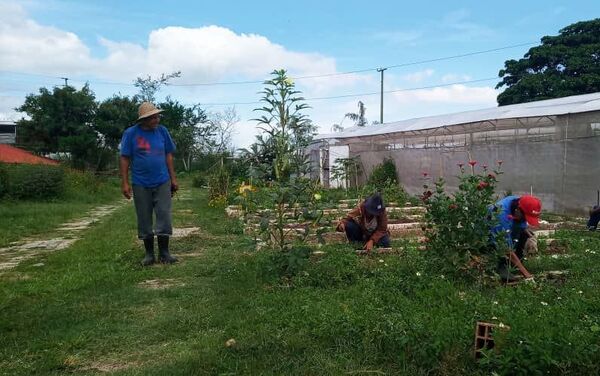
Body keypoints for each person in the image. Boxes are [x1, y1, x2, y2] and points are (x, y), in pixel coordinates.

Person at [120, 102, 178, 266]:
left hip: (162, 180)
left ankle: (165, 253)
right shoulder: (131, 134)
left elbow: (168, 155)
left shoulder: (162, 131)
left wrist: (173, 179)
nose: (157, 119)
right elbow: (125, 158)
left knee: (164, 215)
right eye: (153, 117)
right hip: (140, 182)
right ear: (144, 119)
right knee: (144, 217)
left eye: (158, 116)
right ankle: (149, 254)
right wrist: (125, 182)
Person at [491, 195, 542, 281]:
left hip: (509, 226)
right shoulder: (500, 215)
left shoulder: (518, 201)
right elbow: (506, 248)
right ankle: (501, 265)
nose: (525, 219)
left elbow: (522, 225)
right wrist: (526, 274)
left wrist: (531, 238)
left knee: (524, 235)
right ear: (518, 210)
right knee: (500, 247)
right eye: (525, 217)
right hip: (489, 236)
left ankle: (514, 263)